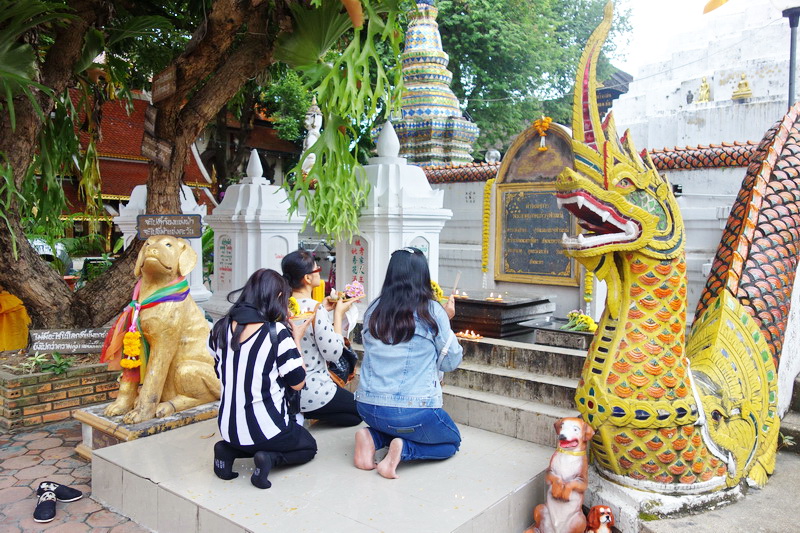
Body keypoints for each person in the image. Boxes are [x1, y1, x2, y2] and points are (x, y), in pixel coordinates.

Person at [354, 247, 463, 479]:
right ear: (423, 275)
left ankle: (372, 438)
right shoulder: (432, 311)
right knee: (452, 442)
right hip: (412, 411)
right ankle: (404, 451)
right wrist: (446, 321)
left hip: (368, 407)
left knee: (394, 424)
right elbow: (451, 361)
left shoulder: (374, 308)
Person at [208, 268, 316, 489]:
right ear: (277, 297)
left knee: (248, 436)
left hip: (228, 428)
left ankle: (226, 451)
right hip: (267, 430)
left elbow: (219, 370)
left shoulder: (220, 327)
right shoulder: (276, 332)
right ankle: (269, 459)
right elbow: (299, 382)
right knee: (308, 446)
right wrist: (297, 339)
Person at [281, 250, 362, 426]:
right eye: (317, 269)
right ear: (307, 278)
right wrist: (338, 315)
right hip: (313, 389)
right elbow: (333, 353)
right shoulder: (314, 308)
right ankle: (304, 414)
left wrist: (324, 311)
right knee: (360, 411)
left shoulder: (281, 305)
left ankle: (301, 413)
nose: (319, 270)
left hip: (285, 390)